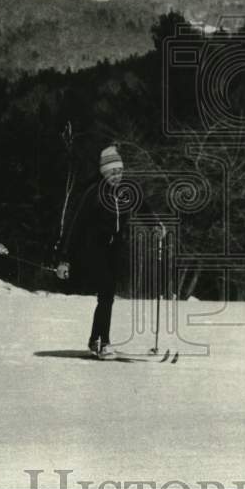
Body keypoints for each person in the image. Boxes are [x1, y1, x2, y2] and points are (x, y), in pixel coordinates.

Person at [54, 144, 165, 359]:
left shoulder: (127, 190)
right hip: (93, 248)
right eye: (113, 172)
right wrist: (64, 259)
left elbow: (142, 207)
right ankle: (104, 342)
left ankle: (94, 339)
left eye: (120, 171)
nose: (117, 176)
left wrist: (155, 225)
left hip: (115, 247)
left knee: (107, 296)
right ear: (104, 172)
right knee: (106, 292)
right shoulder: (93, 193)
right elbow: (74, 226)